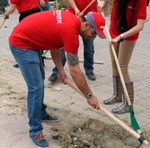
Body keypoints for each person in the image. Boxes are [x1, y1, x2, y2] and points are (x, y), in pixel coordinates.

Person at [8, 10, 105, 147]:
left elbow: (54, 45)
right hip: (21, 43)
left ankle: (40, 112)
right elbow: (75, 71)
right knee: (36, 87)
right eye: (94, 33)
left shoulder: (71, 21)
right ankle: (35, 130)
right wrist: (89, 95)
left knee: (39, 81)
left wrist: (60, 70)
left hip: (31, 41)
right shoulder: (71, 32)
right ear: (87, 25)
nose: (92, 38)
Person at [103, 0, 147, 114]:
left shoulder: (141, 0)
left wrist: (121, 36)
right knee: (114, 65)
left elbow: (140, 26)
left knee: (122, 67)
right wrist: (102, 3)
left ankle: (128, 103)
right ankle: (117, 95)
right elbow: (109, 5)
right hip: (113, 32)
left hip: (128, 36)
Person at [48, 0, 105, 82]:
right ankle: (57, 71)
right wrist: (75, 8)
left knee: (89, 47)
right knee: (63, 44)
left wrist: (101, 2)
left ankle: (89, 70)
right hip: (75, 13)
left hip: (91, 17)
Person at [4, 0, 41, 68]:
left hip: (26, 15)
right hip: (37, 11)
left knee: (24, 39)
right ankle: (40, 60)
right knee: (37, 37)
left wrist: (6, 14)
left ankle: (25, 60)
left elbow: (12, 8)